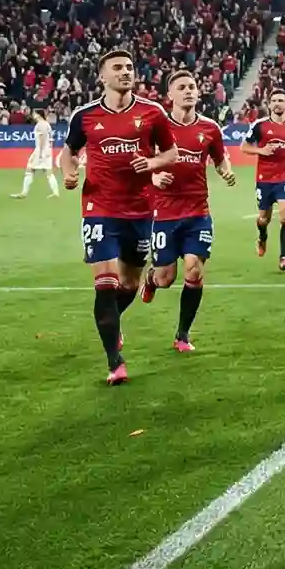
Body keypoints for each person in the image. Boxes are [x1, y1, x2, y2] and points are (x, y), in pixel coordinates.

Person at [62, 50, 178, 386]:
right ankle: (116, 362)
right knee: (106, 283)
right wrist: (69, 173)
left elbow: (171, 152)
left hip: (140, 210)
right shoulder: (85, 116)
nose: (125, 72)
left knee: (128, 285)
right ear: (103, 76)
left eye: (129, 67)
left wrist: (152, 164)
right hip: (99, 208)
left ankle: (113, 323)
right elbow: (68, 152)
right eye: (117, 68)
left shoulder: (152, 112)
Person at [142, 69, 235, 351]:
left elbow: (220, 158)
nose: (188, 91)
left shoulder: (210, 128)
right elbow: (139, 162)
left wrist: (225, 171)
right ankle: (151, 279)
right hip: (165, 213)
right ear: (170, 95)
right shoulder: (156, 128)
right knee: (165, 278)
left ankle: (182, 335)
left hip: (198, 212)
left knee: (194, 271)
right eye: (181, 87)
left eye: (192, 86)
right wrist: (153, 177)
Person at [242, 91, 285, 272]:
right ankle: (262, 237)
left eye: (281, 100)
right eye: (274, 101)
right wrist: (261, 151)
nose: (277, 103)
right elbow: (244, 147)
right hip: (265, 179)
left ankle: (283, 257)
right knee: (264, 219)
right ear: (269, 105)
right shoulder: (260, 125)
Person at [13, 108, 60, 199]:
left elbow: (42, 138)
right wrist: (48, 150)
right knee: (48, 172)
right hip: (46, 150)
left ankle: (24, 193)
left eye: (34, 113)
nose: (33, 115)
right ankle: (55, 193)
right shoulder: (46, 124)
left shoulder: (41, 124)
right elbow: (50, 139)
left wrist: (39, 152)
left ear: (38, 115)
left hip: (41, 150)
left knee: (30, 169)